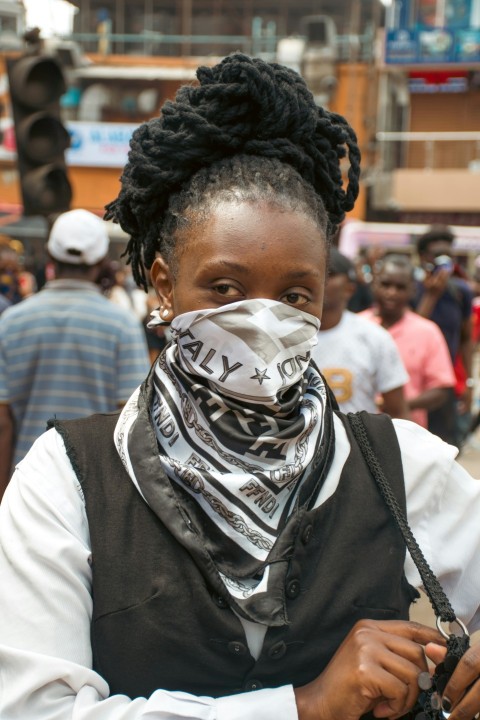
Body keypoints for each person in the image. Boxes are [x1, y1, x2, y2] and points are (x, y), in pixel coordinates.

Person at [1, 54, 480, 720]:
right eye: (225, 288)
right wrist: (304, 705)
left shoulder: (399, 464)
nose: (260, 319)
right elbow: (34, 711)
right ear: (164, 286)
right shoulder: (68, 482)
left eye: (294, 294)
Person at [0, 209, 150, 496]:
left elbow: (2, 422)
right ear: (101, 260)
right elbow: (132, 423)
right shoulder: (121, 326)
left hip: (25, 486)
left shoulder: (12, 322)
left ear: (49, 256)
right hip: (95, 490)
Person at [361, 253, 456, 429]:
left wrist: (399, 404)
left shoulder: (427, 331)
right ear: (374, 284)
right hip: (355, 433)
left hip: (406, 434)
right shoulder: (356, 326)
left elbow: (442, 388)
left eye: (400, 287)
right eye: (386, 284)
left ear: (413, 290)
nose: (392, 293)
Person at [311, 247, 410, 417]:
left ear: (350, 289)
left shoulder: (374, 338)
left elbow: (398, 412)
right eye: (315, 274)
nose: (321, 281)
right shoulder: (285, 335)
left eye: (330, 275)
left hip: (356, 443)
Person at [414, 225, 473, 445]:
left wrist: (468, 381)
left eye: (448, 255)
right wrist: (431, 296)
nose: (444, 261)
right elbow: (409, 333)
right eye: (437, 255)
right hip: (415, 384)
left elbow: (466, 338)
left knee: (445, 444)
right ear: (423, 258)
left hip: (446, 383)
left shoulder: (461, 291)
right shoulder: (411, 289)